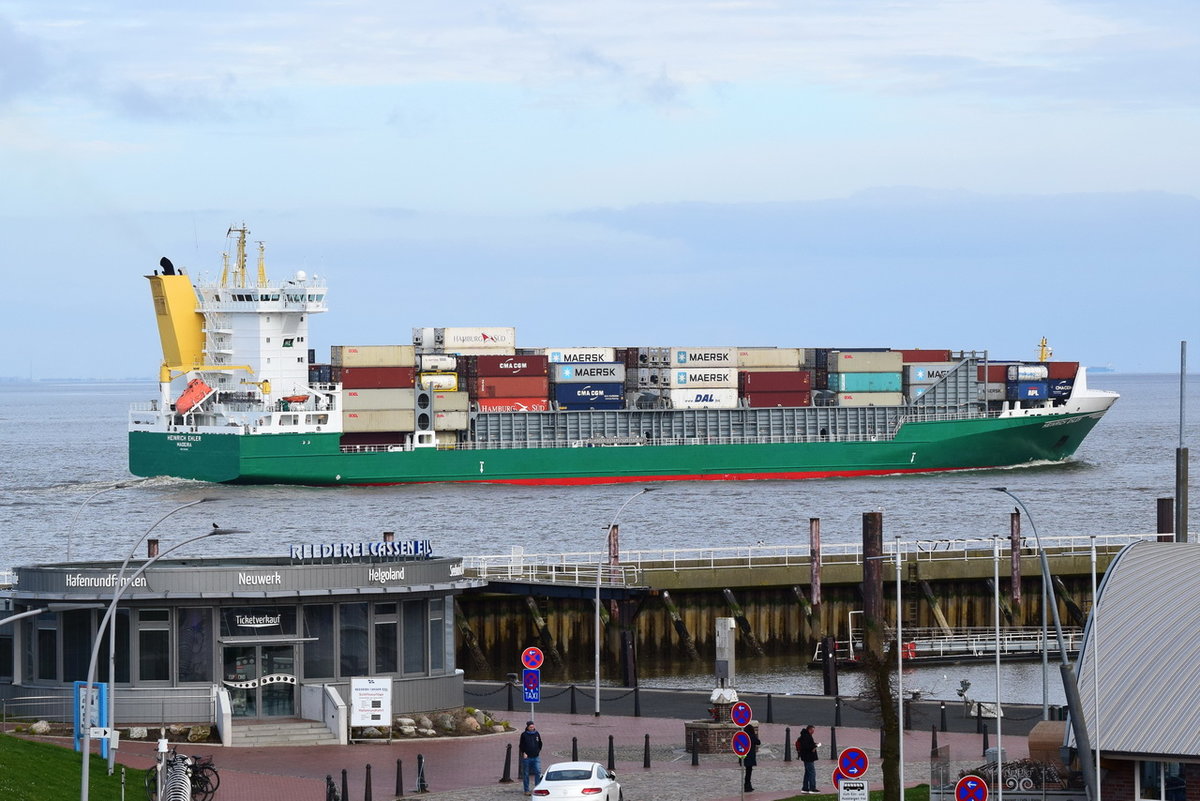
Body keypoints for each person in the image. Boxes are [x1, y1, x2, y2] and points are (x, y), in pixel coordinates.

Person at [519, 720, 544, 794]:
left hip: (536, 756)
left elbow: (540, 743)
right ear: (527, 727)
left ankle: (537, 788)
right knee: (526, 773)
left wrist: (538, 750)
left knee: (538, 772)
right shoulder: (524, 735)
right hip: (527, 757)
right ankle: (526, 790)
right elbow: (521, 745)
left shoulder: (536, 734)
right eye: (531, 727)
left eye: (533, 727)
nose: (532, 728)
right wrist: (523, 752)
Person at [797, 724, 821, 794]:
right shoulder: (807, 736)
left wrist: (814, 745)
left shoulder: (804, 735)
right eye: (812, 730)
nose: (813, 732)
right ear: (809, 729)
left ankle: (805, 788)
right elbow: (808, 746)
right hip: (808, 757)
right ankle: (812, 788)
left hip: (805, 757)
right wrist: (815, 745)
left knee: (807, 772)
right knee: (812, 773)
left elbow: (807, 745)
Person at [742, 724, 761, 792]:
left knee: (748, 771)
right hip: (750, 756)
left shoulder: (744, 736)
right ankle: (747, 786)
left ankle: (747, 785)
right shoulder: (752, 736)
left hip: (744, 756)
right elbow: (758, 742)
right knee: (749, 772)